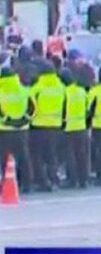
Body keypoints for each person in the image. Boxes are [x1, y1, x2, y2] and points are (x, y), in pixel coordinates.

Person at [28, 62, 65, 192]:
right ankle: (54, 180)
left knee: (37, 155)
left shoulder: (36, 89)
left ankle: (43, 182)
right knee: (52, 155)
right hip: (56, 125)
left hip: (39, 126)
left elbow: (30, 109)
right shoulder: (61, 87)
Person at [0, 65, 34, 193]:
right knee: (24, 157)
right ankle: (27, 184)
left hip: (4, 130)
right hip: (22, 130)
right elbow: (32, 107)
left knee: (4, 159)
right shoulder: (24, 90)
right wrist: (24, 119)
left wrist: (7, 120)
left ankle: (5, 183)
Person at [63, 68, 90, 189]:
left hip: (68, 127)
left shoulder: (65, 92)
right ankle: (83, 180)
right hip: (81, 126)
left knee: (70, 154)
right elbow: (87, 108)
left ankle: (72, 180)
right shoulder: (82, 91)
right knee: (82, 154)